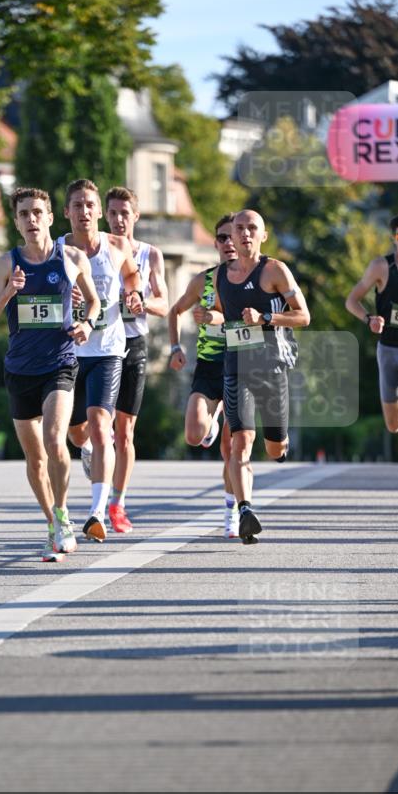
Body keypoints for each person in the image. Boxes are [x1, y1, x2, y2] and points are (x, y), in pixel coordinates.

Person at [0, 186, 100, 561]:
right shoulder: (5, 264)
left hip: (60, 364)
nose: (31, 220)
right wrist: (9, 293)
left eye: (37, 213)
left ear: (50, 218)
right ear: (16, 222)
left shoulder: (72, 257)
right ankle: (52, 522)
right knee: (35, 460)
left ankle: (63, 513)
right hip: (20, 370)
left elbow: (94, 301)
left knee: (54, 438)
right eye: (24, 214)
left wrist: (88, 324)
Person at [206, 209, 310, 543]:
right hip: (236, 368)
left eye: (253, 228)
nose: (246, 234)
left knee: (273, 446)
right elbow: (226, 317)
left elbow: (303, 316)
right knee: (241, 441)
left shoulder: (275, 270)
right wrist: (211, 316)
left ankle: (281, 446)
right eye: (239, 229)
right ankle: (245, 510)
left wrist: (265, 317)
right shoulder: (221, 276)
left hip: (272, 367)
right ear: (231, 237)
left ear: (263, 235)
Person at [61, 179, 140, 542]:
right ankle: (91, 449)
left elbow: (131, 275)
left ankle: (96, 512)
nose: (85, 211)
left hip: (108, 349)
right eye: (77, 205)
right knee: (77, 435)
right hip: (67, 352)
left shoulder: (117, 246)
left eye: (90, 205)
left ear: (98, 211)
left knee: (99, 421)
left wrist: (134, 293)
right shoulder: (57, 249)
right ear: (67, 212)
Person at [346, 212, 398, 513]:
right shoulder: (381, 267)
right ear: (394, 238)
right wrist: (369, 319)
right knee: (395, 425)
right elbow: (351, 300)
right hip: (389, 353)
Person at [99, 186, 169, 533]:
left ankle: (117, 503)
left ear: (135, 217)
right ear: (105, 215)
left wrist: (142, 300)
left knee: (124, 432)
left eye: (125, 213)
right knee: (85, 429)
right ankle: (91, 451)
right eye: (113, 213)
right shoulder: (96, 250)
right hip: (97, 345)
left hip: (133, 343)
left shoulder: (150, 254)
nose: (119, 219)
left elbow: (164, 303)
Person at [168, 214, 240, 538]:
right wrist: (174, 348)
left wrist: (217, 318)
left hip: (242, 365)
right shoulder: (203, 281)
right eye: (222, 237)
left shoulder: (255, 282)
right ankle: (213, 417)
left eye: (233, 237)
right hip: (209, 366)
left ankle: (231, 509)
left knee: (231, 448)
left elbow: (264, 324)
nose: (228, 243)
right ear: (216, 244)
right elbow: (174, 311)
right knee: (194, 435)